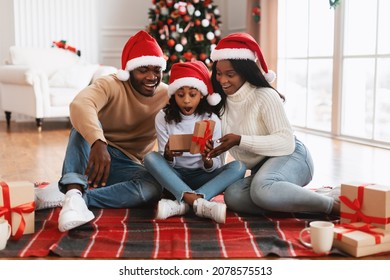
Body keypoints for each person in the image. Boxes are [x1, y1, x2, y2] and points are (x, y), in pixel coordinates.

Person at [36, 30, 170, 232]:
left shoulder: (167, 94)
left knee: (153, 187)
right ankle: (73, 189)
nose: (151, 77)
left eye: (157, 69)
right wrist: (98, 142)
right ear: (129, 70)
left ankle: (77, 198)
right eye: (143, 70)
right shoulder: (110, 83)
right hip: (94, 155)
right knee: (81, 127)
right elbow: (80, 105)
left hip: (128, 164)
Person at [207, 32, 340, 216]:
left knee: (261, 190)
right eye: (219, 74)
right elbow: (221, 149)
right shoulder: (220, 103)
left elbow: (286, 142)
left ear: (245, 72)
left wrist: (240, 140)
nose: (222, 80)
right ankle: (310, 202)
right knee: (234, 196)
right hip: (262, 170)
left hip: (292, 157)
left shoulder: (264, 96)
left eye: (230, 74)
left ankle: (332, 206)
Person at [143, 61, 246, 223]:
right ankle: (198, 203)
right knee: (150, 158)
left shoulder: (211, 119)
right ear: (173, 95)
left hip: (203, 176)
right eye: (180, 94)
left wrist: (208, 159)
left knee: (239, 167)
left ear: (201, 95)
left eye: (192, 94)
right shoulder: (163, 117)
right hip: (175, 176)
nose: (186, 101)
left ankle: (183, 203)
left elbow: (216, 166)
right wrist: (168, 156)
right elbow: (166, 166)